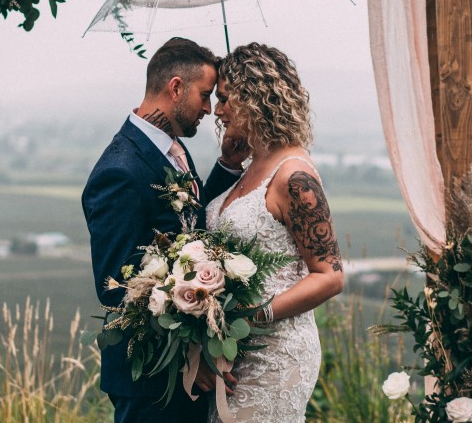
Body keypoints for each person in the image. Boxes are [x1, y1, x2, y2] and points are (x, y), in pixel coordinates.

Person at [82, 37, 247, 423]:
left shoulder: (169, 146)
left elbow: (189, 224)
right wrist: (189, 360)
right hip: (150, 379)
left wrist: (227, 165)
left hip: (180, 378)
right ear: (176, 88)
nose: (209, 109)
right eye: (205, 96)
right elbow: (118, 287)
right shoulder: (119, 171)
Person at [205, 42, 345, 423]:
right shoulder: (249, 164)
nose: (217, 110)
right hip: (234, 351)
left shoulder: (294, 175)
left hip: (277, 352)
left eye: (225, 99)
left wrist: (254, 317)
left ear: (253, 96)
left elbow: (330, 276)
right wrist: (228, 164)